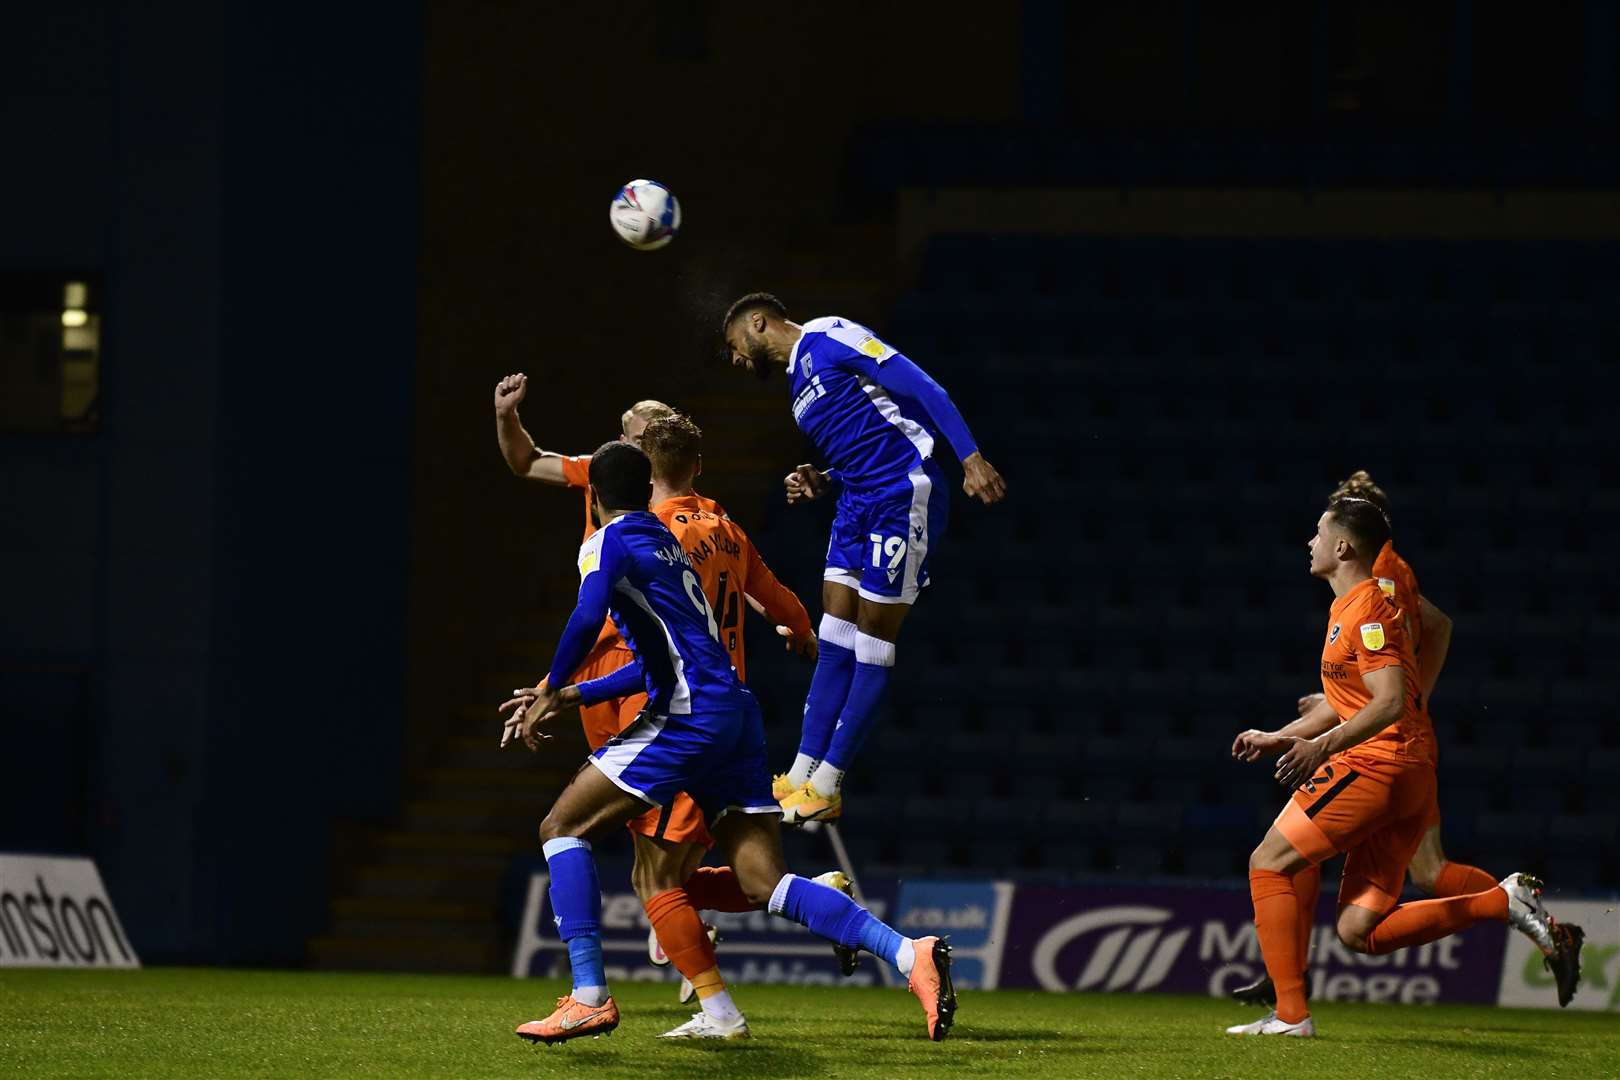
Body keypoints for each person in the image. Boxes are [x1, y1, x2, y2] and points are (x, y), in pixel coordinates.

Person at [501, 442, 956, 1045]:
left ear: (594, 496)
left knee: (562, 828)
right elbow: (660, 658)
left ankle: (589, 995)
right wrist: (574, 698)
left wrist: (550, 685)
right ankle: (908, 954)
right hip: (733, 712)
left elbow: (587, 620)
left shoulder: (606, 542)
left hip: (687, 717)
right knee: (761, 880)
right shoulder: (668, 549)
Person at [492, 380, 841, 1031]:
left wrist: (552, 686)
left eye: (635, 431)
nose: (624, 439)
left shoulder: (648, 529)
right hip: (652, 692)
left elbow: (640, 616)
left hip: (666, 696)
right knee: (656, 858)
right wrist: (799, 629)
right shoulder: (698, 523)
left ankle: (652, 991)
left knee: (645, 865)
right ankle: (732, 949)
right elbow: (525, 459)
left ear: (644, 458)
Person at [1226, 497, 1580, 1037]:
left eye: (1318, 532)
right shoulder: (1352, 605)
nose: (1309, 542)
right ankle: (1501, 902)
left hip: (1378, 765)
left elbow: (1388, 701)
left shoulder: (1367, 606)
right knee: (1358, 931)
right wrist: (1281, 736)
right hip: (1407, 769)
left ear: (1342, 546)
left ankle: (1291, 1013)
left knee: (1269, 863)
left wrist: (1321, 747)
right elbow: (1359, 694)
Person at [721, 293, 1006, 824]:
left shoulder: (830, 334)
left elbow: (920, 386)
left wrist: (969, 456)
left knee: (873, 636)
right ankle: (803, 773)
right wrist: (819, 478)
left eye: (735, 346)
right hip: (855, 504)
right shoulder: (795, 387)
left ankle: (829, 783)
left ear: (758, 323)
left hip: (901, 494)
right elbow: (860, 442)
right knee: (835, 633)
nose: (736, 359)